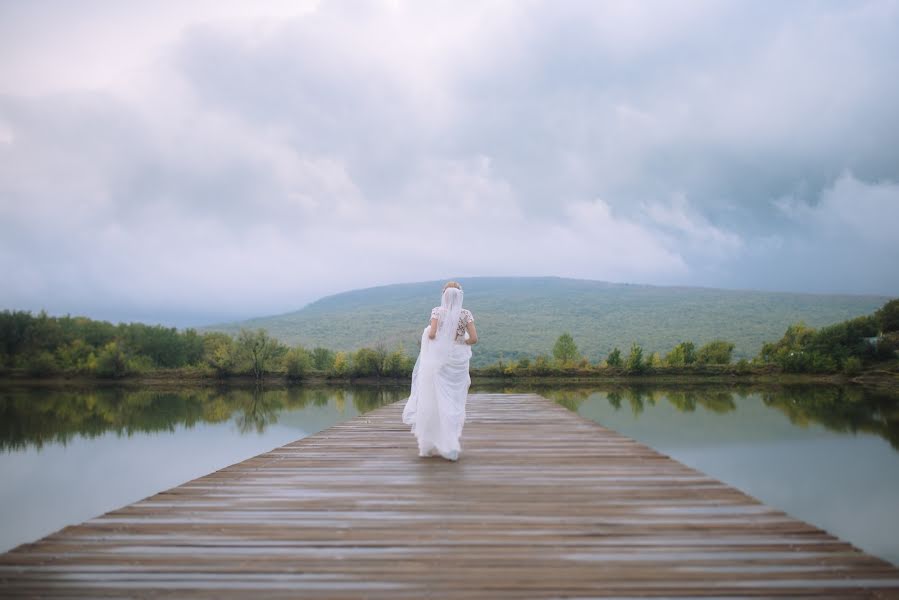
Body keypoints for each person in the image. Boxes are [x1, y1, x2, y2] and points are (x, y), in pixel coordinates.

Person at [402, 281, 478, 461]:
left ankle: (428, 445)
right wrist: (461, 343)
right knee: (454, 401)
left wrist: (429, 333)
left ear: (444, 295)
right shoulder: (466, 314)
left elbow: (432, 334)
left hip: (440, 360)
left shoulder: (437, 311)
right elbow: (474, 339)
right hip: (458, 360)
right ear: (460, 295)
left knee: (435, 399)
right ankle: (451, 446)